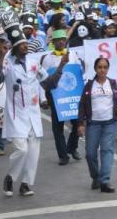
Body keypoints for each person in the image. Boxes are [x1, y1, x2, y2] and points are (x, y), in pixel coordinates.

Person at [0, 27, 46, 197]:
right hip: (16, 114)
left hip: (33, 113)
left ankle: (25, 184)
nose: (25, 47)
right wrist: (1, 55)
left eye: (26, 44)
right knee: (22, 150)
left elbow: (46, 80)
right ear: (14, 48)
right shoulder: (8, 63)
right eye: (22, 45)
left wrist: (62, 68)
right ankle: (10, 177)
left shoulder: (33, 62)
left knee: (34, 151)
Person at [39, 30, 82, 165]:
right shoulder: (47, 58)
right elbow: (43, 79)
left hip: (72, 96)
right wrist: (43, 98)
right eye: (58, 40)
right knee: (58, 127)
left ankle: (72, 147)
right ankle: (63, 155)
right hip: (56, 96)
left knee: (77, 123)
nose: (61, 42)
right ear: (53, 42)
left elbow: (79, 73)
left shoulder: (73, 55)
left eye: (63, 39)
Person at [77, 57, 117, 193]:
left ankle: (105, 181)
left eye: (105, 67)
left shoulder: (113, 84)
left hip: (110, 123)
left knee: (107, 150)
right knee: (90, 154)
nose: (102, 70)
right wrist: (80, 124)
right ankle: (96, 176)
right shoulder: (89, 85)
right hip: (93, 124)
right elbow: (82, 104)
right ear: (95, 69)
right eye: (100, 67)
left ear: (108, 69)